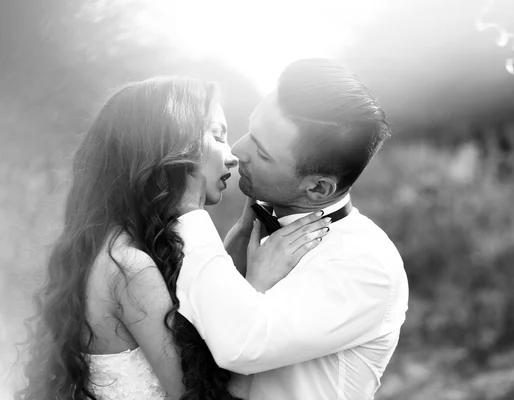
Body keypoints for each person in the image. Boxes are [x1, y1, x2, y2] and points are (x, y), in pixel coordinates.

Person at [15, 77, 330, 400]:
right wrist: (258, 286)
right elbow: (204, 394)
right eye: (217, 136)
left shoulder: (114, 248)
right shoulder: (129, 269)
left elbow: (198, 333)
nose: (232, 156)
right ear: (176, 146)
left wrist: (237, 240)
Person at [175, 58, 410, 400]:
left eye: (263, 153)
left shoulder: (365, 265)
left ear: (318, 189)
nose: (238, 151)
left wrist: (189, 210)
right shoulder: (250, 230)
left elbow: (239, 347)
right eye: (250, 129)